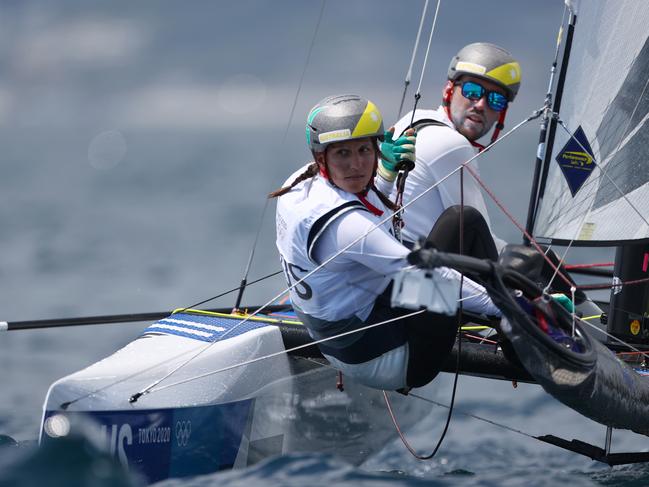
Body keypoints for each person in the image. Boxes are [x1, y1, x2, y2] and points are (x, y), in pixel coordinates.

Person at [270, 94, 500, 391]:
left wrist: (385, 176)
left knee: (451, 246)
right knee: (462, 222)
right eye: (343, 153)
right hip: (400, 362)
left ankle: (500, 310)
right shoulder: (349, 227)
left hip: (350, 337)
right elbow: (429, 278)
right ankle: (517, 331)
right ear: (321, 157)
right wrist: (512, 307)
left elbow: (366, 215)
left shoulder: (299, 184)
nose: (356, 164)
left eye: (365, 150)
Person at [378, 42, 522, 257]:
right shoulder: (451, 144)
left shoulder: (414, 118)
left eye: (496, 99)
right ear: (449, 90)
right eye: (472, 91)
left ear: (501, 113)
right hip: (415, 271)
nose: (481, 104)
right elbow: (481, 239)